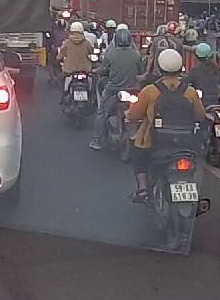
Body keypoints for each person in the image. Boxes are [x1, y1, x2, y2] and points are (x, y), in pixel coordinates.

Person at [126, 48, 208, 207]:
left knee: (138, 154)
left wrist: (129, 115)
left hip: (154, 142)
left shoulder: (149, 91)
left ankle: (143, 190)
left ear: (160, 67)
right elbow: (201, 115)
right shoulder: (190, 92)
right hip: (186, 142)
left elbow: (133, 116)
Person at [89, 26, 144, 151]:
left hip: (113, 90)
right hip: (133, 90)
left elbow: (102, 70)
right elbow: (141, 71)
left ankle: (97, 140)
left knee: (102, 112)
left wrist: (94, 70)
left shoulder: (110, 54)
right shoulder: (136, 55)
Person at [58, 21, 95, 100]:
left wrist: (59, 58)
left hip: (69, 69)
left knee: (60, 79)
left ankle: (64, 95)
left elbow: (61, 54)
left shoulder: (67, 42)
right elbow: (91, 51)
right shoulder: (86, 42)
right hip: (85, 68)